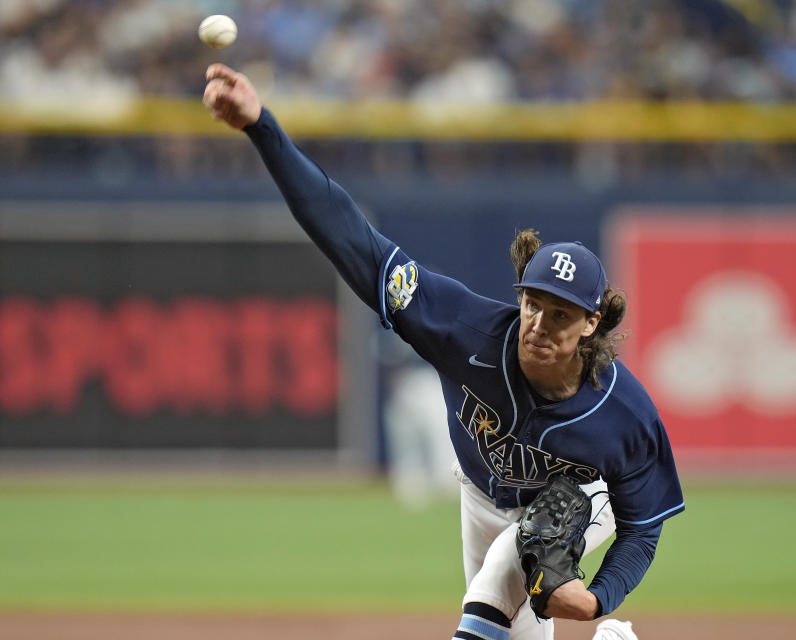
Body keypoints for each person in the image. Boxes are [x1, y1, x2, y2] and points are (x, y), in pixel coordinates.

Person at [202, 63, 684, 640]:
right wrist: (263, 128)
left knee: (491, 593)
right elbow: (348, 234)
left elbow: (642, 527)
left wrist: (598, 597)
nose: (540, 323)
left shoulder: (623, 414)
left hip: (575, 504)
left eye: (561, 314)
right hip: (479, 495)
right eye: (533, 302)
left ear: (592, 322)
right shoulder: (463, 329)